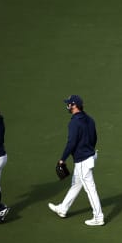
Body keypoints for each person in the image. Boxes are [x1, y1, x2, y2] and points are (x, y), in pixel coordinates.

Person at [48, 95, 104, 226]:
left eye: (68, 104)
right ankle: (63, 209)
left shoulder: (74, 122)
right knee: (76, 184)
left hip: (83, 160)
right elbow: (95, 138)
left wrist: (62, 159)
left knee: (90, 189)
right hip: (89, 156)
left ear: (74, 106)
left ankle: (98, 217)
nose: (67, 106)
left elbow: (71, 142)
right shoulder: (90, 119)